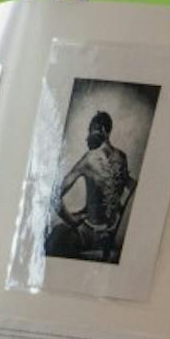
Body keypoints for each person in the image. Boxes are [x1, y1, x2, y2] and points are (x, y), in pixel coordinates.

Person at [47, 110, 135, 262]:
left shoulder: (89, 159)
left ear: (102, 130)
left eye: (90, 130)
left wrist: (71, 221)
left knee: (54, 234)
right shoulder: (122, 157)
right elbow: (132, 186)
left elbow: (54, 196)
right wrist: (120, 214)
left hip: (90, 233)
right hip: (111, 231)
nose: (87, 137)